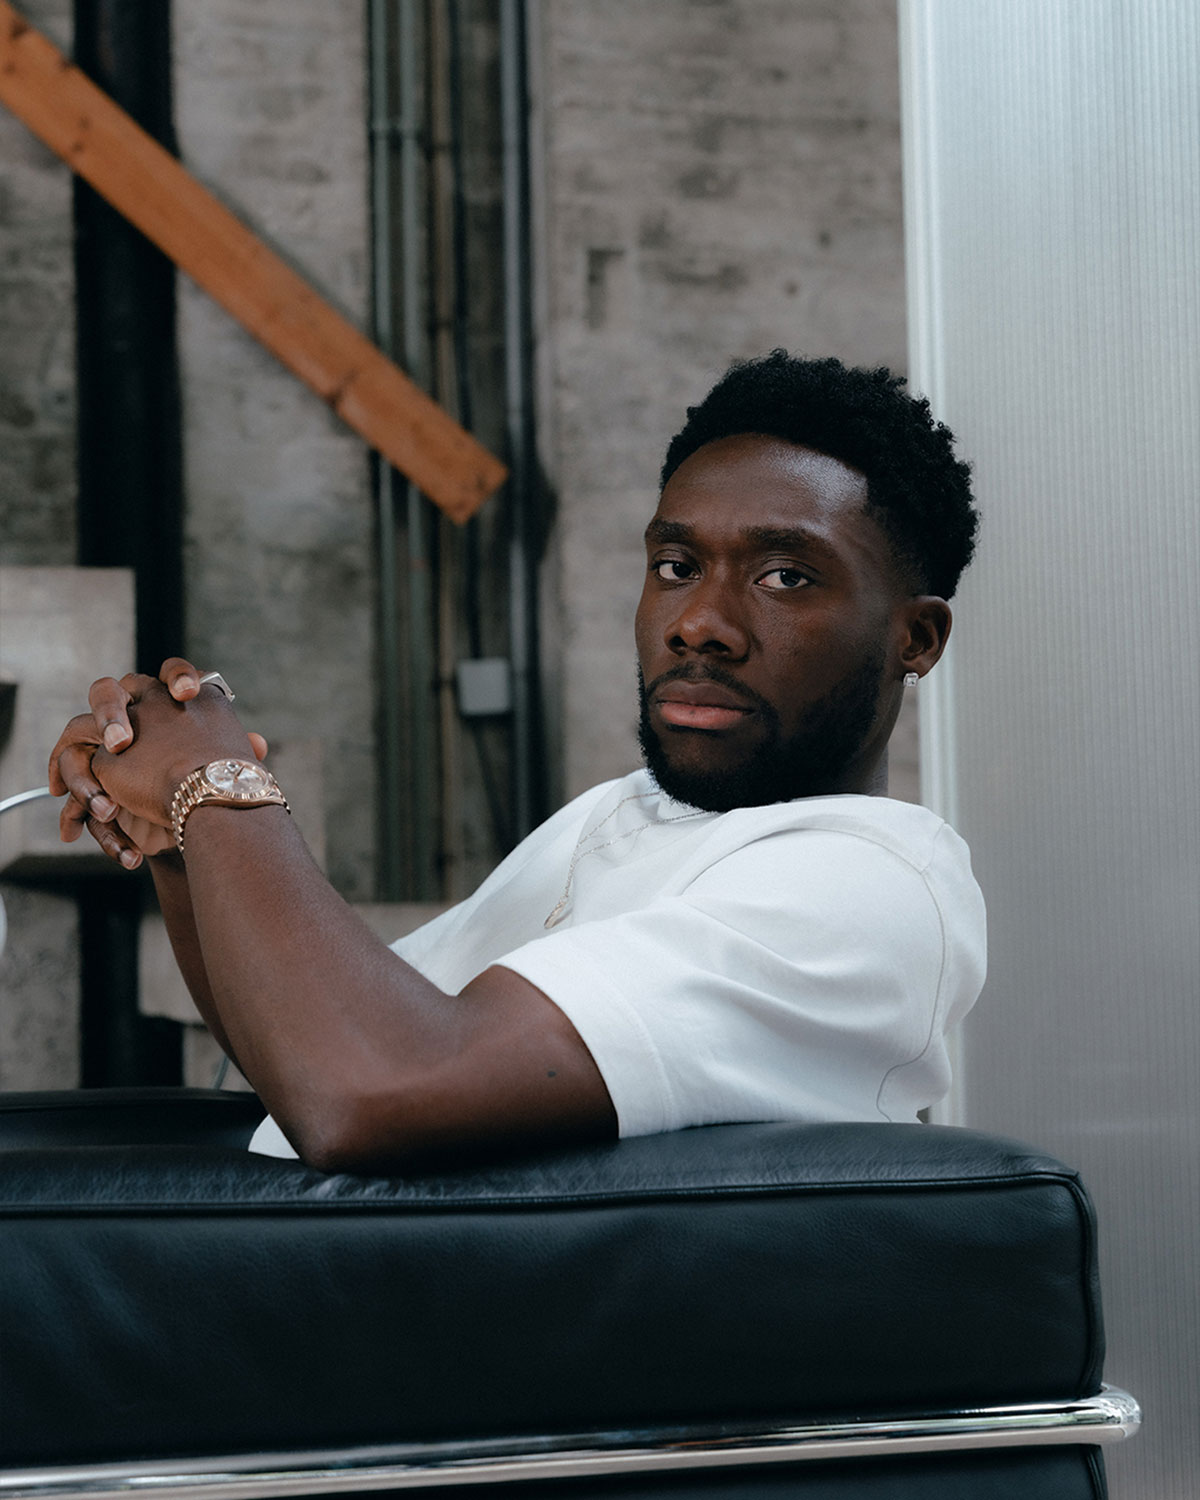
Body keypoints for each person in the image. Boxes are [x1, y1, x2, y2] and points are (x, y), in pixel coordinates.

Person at [49, 351, 985, 1171]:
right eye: (676, 566)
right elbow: (308, 1046)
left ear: (916, 638)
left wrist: (216, 788)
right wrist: (182, 841)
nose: (700, 623)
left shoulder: (868, 884)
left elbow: (369, 1089)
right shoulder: (622, 817)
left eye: (785, 576)